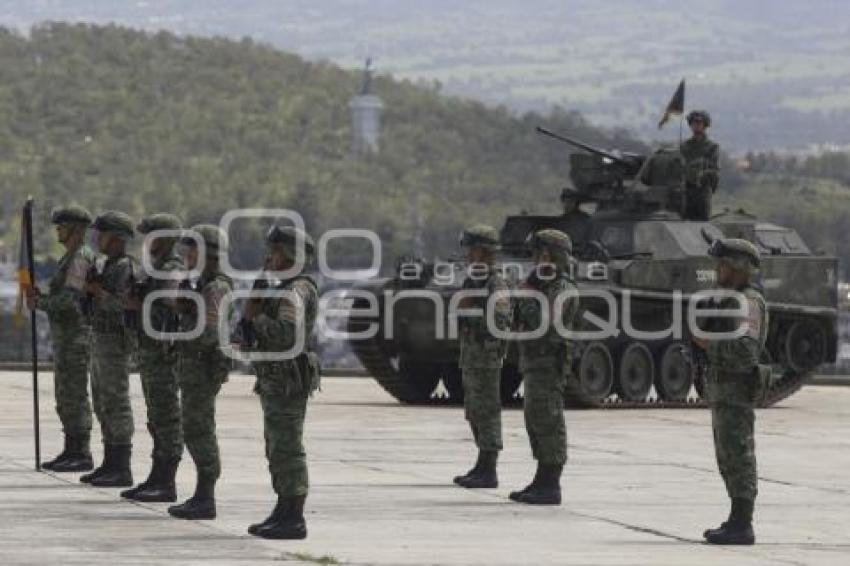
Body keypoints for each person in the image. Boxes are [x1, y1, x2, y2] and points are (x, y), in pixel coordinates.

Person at [244, 225, 319, 540]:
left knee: (287, 447)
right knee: (276, 446)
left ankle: (294, 517)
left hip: (287, 381)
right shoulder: (284, 288)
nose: (269, 257)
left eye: (275, 251)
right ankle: (283, 509)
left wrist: (256, 318)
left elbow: (287, 335)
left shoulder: (296, 291)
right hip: (276, 379)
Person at [692, 238, 767, 545]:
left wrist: (707, 343)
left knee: (738, 454)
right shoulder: (727, 300)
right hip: (723, 388)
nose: (717, 270)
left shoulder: (747, 303)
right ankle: (736, 519)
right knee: (727, 456)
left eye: (722, 264)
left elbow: (746, 351)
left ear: (737, 267)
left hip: (736, 388)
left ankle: (742, 524)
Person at [509, 229, 579, 505]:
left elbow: (546, 323)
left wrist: (526, 297)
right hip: (534, 362)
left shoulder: (563, 288)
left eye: (540, 254)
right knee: (535, 419)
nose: (536, 259)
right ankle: (541, 478)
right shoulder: (540, 287)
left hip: (549, 363)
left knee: (548, 419)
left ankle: (551, 483)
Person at [168, 225, 233, 520]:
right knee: (193, 428)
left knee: (200, 429)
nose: (187, 255)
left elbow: (209, 332)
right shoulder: (203, 285)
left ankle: (206, 497)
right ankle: (201, 494)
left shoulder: (216, 287)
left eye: (193, 249)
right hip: (194, 366)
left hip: (203, 368)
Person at [27, 205, 97, 472]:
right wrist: (41, 297)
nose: (58, 230)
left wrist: (41, 303)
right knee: (65, 395)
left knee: (74, 394)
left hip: (76, 337)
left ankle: (81, 452)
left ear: (75, 230)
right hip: (66, 337)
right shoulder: (70, 257)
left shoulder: (81, 258)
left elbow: (70, 300)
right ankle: (71, 449)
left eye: (62, 226)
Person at [121, 214, 185, 503]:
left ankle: (166, 481)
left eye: (152, 235)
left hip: (163, 354)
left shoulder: (172, 269)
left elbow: (171, 309)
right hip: (149, 352)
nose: (147, 241)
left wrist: (140, 303)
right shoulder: (153, 269)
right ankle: (157, 476)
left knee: (167, 417)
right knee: (156, 417)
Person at [79, 211, 138, 487]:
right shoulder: (106, 265)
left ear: (117, 238)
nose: (97, 239)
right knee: (102, 402)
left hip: (115, 342)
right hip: (100, 340)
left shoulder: (127, 268)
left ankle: (121, 465)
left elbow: (125, 306)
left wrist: (98, 293)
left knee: (116, 402)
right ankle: (109, 461)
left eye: (102, 234)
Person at [452, 224, 511, 489]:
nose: (467, 255)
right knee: (474, 411)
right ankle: (481, 463)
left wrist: (471, 310)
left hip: (486, 356)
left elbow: (499, 324)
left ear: (484, 252)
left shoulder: (495, 283)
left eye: (472, 250)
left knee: (487, 410)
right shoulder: (471, 281)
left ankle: (489, 468)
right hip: (471, 355)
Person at [680, 110, 720, 220]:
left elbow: (714, 169)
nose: (696, 125)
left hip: (702, 191)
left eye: (699, 123)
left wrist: (699, 173)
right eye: (693, 123)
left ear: (705, 125)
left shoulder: (712, 147)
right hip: (686, 191)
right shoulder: (684, 146)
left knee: (702, 223)